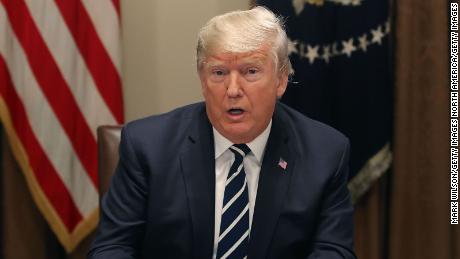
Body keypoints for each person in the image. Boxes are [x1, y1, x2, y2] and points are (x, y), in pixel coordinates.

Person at [88, 6, 356, 259]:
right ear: (203, 81)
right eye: (218, 72)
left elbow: (333, 251)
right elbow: (113, 248)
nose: (233, 89)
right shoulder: (147, 146)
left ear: (281, 79)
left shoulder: (325, 152)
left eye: (250, 71)